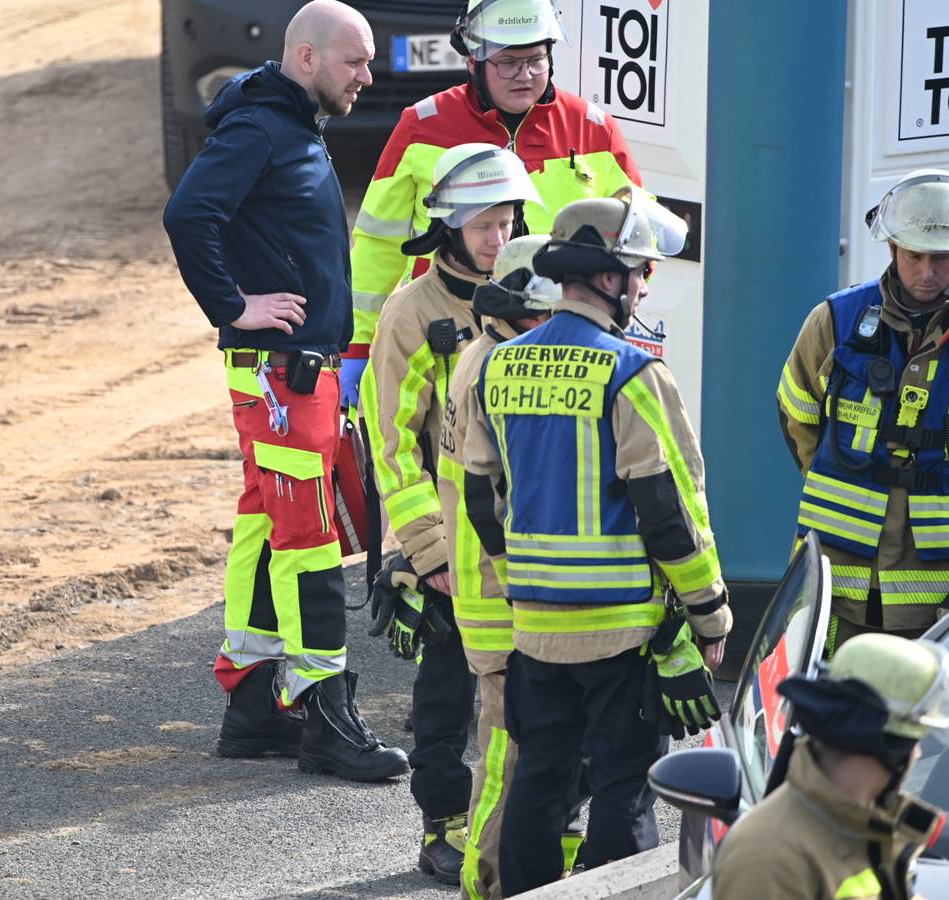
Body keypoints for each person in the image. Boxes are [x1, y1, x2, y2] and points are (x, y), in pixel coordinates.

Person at [161, 0, 407, 783]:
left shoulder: (291, 122)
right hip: (279, 373)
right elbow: (188, 212)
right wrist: (235, 308)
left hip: (296, 373)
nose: (370, 76)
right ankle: (327, 715)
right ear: (306, 58)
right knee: (307, 541)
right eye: (355, 62)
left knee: (266, 527)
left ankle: (255, 705)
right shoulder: (262, 128)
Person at [462, 194, 731, 893]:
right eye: (640, 271)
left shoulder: (499, 364)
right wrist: (709, 616)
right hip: (620, 632)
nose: (644, 285)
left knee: (541, 777)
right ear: (611, 278)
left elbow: (480, 497)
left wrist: (522, 578)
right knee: (624, 788)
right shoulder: (633, 373)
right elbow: (670, 512)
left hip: (535, 628)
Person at [360, 143, 541, 884]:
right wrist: (426, 553)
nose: (497, 240)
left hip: (529, 542)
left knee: (530, 693)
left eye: (506, 222)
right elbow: (391, 443)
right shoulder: (414, 313)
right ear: (447, 227)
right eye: (482, 226)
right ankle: (444, 824)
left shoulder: (537, 297)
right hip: (452, 551)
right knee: (445, 695)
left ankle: (520, 820)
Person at [338, 0, 642, 410]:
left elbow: (637, 235)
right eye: (508, 63)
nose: (526, 75)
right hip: (446, 337)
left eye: (537, 59)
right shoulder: (423, 125)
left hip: (560, 340)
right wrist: (357, 345)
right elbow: (379, 244)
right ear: (474, 62)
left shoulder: (593, 129)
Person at [438, 234, 587, 899]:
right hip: (503, 599)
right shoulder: (496, 370)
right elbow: (494, 500)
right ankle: (487, 882)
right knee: (507, 755)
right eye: (544, 316)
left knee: (537, 755)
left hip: (497, 591)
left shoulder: (485, 354)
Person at [777, 169, 949, 656]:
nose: (927, 273)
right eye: (914, 255)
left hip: (946, 596)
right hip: (837, 586)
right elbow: (796, 412)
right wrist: (836, 479)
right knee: (827, 723)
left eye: (942, 258)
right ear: (891, 249)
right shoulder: (836, 320)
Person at [711, 632, 949, 900]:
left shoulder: (868, 829)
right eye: (915, 741)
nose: (919, 754)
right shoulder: (767, 859)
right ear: (887, 750)